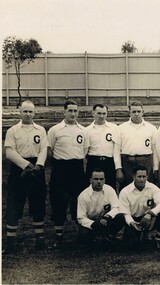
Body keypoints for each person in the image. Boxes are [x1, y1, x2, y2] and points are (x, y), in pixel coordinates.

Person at [3, 100, 48, 254]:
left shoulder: (41, 130)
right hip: (19, 168)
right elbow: (9, 152)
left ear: (34, 113)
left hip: (37, 168)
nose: (28, 114)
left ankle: (40, 240)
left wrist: (39, 165)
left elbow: (43, 149)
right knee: (15, 203)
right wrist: (26, 165)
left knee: (38, 201)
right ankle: (10, 242)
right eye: (25, 111)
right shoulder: (13, 130)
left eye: (30, 111)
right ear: (20, 112)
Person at [47, 100, 86, 249]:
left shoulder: (83, 130)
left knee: (78, 201)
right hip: (60, 169)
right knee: (58, 202)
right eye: (70, 111)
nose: (73, 114)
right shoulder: (55, 130)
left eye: (75, 111)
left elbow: (85, 150)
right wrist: (59, 164)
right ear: (64, 111)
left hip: (77, 169)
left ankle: (79, 235)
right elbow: (49, 151)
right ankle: (59, 237)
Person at [119, 165, 160, 249]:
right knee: (133, 246)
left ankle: (157, 239)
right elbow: (125, 213)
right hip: (134, 219)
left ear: (147, 177)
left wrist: (150, 213)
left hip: (149, 218)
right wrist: (132, 223)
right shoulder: (125, 191)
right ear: (133, 177)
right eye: (139, 177)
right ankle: (134, 235)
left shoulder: (153, 188)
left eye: (144, 176)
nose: (142, 179)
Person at [114, 101, 158, 190]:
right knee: (127, 189)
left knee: (146, 188)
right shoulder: (121, 128)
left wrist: (156, 168)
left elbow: (155, 150)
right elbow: (116, 150)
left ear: (143, 112)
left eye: (139, 111)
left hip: (146, 162)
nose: (136, 114)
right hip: (127, 162)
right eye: (134, 112)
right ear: (129, 113)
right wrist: (118, 168)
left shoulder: (151, 128)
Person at [77, 169, 124, 249]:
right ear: (90, 180)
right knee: (84, 237)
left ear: (105, 180)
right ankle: (96, 239)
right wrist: (94, 224)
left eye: (101, 179)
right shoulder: (83, 196)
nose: (99, 181)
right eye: (96, 179)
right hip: (92, 222)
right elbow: (81, 218)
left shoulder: (110, 190)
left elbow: (116, 207)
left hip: (105, 220)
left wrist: (106, 216)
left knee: (120, 217)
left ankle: (109, 236)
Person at [84, 104, 118, 189]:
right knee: (92, 188)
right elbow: (85, 151)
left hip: (109, 162)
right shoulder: (87, 130)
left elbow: (116, 149)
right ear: (93, 113)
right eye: (99, 113)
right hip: (93, 162)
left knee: (110, 187)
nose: (102, 116)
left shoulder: (114, 128)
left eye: (104, 113)